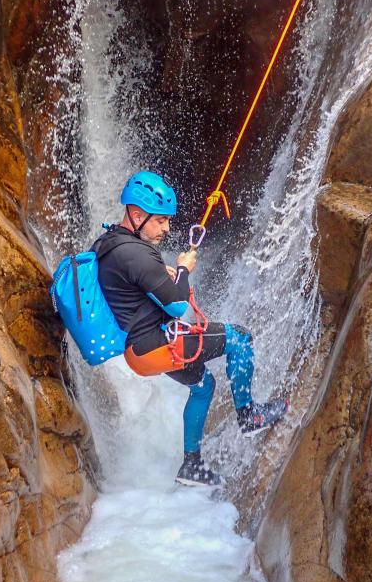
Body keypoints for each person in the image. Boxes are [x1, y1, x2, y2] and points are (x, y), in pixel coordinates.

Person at [91, 171, 288, 487]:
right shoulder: (135, 254)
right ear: (137, 215)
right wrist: (183, 270)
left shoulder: (111, 242)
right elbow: (178, 306)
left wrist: (161, 274)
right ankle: (250, 415)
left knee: (204, 385)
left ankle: (192, 467)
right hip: (157, 344)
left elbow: (132, 282)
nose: (166, 229)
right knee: (239, 337)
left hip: (140, 352)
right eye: (160, 221)